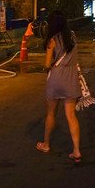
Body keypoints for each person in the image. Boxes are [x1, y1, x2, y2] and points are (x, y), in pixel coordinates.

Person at [35, 10, 82, 163]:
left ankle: (46, 144)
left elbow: (47, 64)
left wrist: (47, 68)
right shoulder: (73, 36)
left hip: (56, 78)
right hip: (71, 78)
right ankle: (76, 151)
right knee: (71, 115)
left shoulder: (52, 40)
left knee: (51, 113)